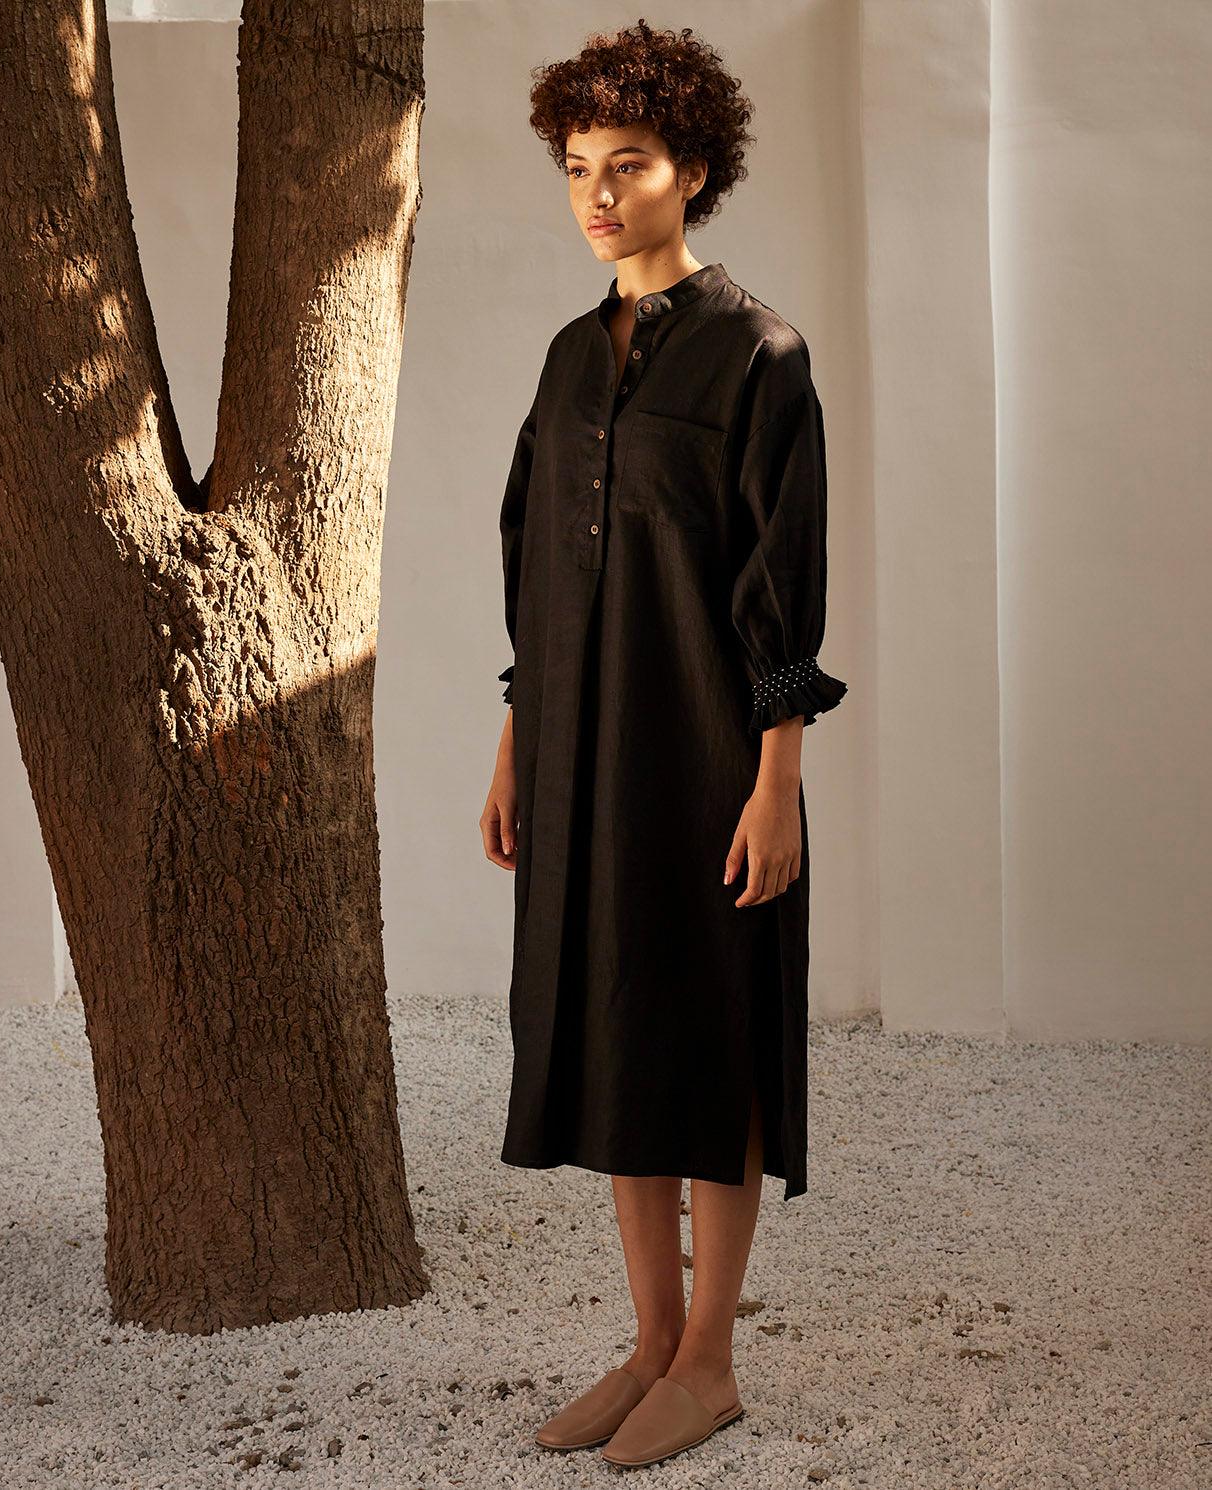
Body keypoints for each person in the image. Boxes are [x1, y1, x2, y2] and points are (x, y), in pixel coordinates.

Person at [478, 18, 848, 1470]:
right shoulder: (569, 358)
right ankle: (646, 1342)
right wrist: (516, 742)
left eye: (626, 163)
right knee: (614, 1029)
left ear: (690, 169)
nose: (598, 192)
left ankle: (710, 1361)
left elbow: (781, 583)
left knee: (713, 1029)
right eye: (578, 166)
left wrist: (777, 785)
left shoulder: (762, 354)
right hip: (578, 752)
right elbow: (534, 563)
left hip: (705, 754)